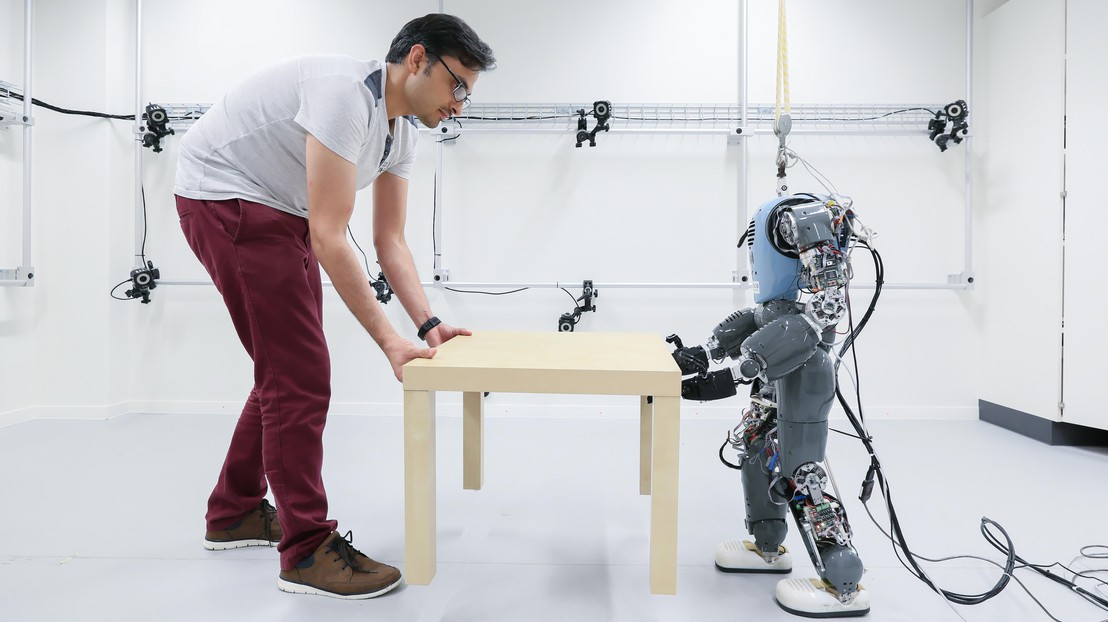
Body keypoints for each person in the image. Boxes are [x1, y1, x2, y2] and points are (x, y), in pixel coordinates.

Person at [172, 13, 495, 600]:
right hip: (227, 198)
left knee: (284, 367)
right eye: (459, 85)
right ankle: (306, 553)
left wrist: (425, 325)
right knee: (298, 374)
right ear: (418, 59)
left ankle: (234, 512)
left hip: (277, 206)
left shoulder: (403, 130)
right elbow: (329, 234)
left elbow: (389, 239)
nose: (461, 103)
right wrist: (387, 340)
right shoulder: (346, 98)